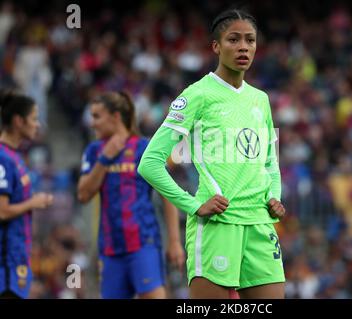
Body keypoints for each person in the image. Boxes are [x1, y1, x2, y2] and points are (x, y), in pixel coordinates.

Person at [138, 9, 286, 299]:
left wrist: (275, 196)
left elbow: (271, 161)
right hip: (219, 225)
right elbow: (150, 163)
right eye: (233, 39)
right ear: (216, 47)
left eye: (250, 40)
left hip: (259, 223)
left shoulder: (261, 99)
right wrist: (193, 205)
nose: (243, 47)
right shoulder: (197, 95)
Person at [77, 91, 185, 299]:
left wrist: (174, 241)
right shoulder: (94, 151)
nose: (93, 123)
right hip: (110, 248)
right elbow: (83, 195)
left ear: (116, 117)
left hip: (144, 243)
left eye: (97, 116)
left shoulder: (144, 148)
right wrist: (105, 159)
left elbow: (167, 195)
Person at [0, 90, 54, 299]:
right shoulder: (3, 158)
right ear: (18, 121)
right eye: (33, 118)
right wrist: (34, 202)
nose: (37, 124)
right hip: (5, 262)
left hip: (16, 256)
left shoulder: (16, 157)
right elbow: (2, 211)